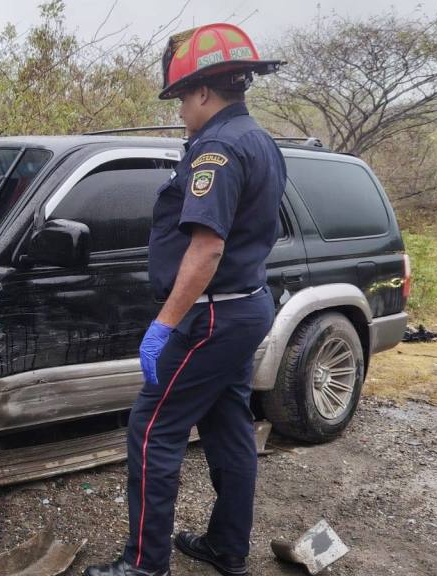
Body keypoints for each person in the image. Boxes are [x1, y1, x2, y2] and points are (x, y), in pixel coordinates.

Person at [84, 23, 286, 576]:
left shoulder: (218, 148)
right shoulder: (258, 139)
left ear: (202, 91)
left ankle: (145, 565)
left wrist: (165, 324)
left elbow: (206, 248)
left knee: (152, 429)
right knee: (229, 428)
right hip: (244, 308)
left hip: (213, 314)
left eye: (180, 99)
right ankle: (226, 548)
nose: (179, 111)